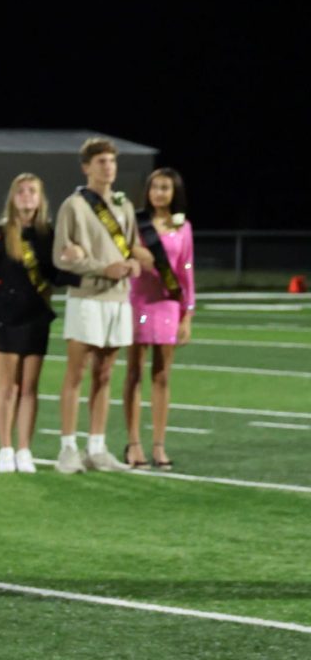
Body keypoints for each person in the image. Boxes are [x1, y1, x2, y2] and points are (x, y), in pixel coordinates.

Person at [52, 137, 154, 473]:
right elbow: (60, 258)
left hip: (118, 298)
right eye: (101, 162)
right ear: (87, 167)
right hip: (87, 298)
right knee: (77, 373)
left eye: (111, 161)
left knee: (106, 373)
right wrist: (101, 268)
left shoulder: (124, 205)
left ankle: (97, 447)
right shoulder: (75, 205)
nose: (108, 167)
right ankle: (68, 448)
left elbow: (131, 248)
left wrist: (136, 261)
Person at [0, 173, 80, 472]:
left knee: (30, 387)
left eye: (33, 191)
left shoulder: (48, 234)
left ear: (41, 199)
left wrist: (75, 262)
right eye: (21, 192)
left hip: (36, 318)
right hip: (3, 317)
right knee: (8, 388)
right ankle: (5, 448)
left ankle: (24, 450)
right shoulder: (1, 234)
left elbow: (56, 277)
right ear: (13, 199)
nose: (27, 196)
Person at [123, 168, 195, 469]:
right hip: (139, 303)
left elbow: (187, 270)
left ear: (174, 192)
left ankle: (159, 445)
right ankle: (134, 443)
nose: (160, 193)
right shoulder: (136, 224)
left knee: (162, 374)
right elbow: (122, 250)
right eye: (155, 187)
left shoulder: (183, 227)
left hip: (168, 305)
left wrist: (187, 314)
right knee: (135, 371)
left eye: (165, 188)